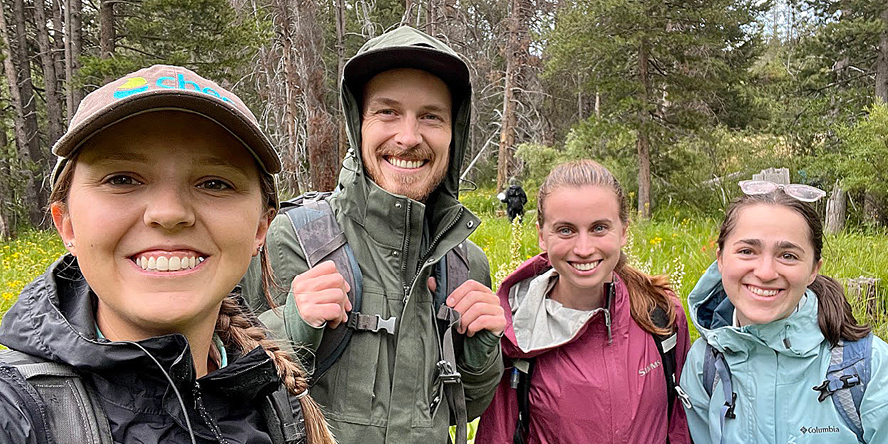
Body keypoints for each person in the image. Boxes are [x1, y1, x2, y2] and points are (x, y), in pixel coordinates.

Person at [0, 65, 334, 444]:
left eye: (214, 183)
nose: (169, 213)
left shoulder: (279, 407)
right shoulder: (15, 412)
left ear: (261, 227)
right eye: (122, 179)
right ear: (67, 224)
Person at [240, 26, 506, 442]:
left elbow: (468, 405)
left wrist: (481, 351)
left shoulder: (465, 263)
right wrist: (291, 324)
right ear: (357, 124)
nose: (408, 136)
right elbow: (228, 384)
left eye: (431, 116)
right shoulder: (288, 237)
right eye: (387, 112)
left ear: (455, 133)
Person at [475, 159, 692, 443]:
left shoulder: (661, 315)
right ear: (541, 235)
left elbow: (682, 424)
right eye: (565, 230)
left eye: (599, 228)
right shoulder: (516, 333)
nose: (584, 248)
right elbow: (498, 435)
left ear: (624, 231)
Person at [679, 181, 888, 443]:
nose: (765, 272)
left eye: (787, 255)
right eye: (747, 251)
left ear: (814, 268)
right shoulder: (703, 365)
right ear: (720, 259)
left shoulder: (871, 366)